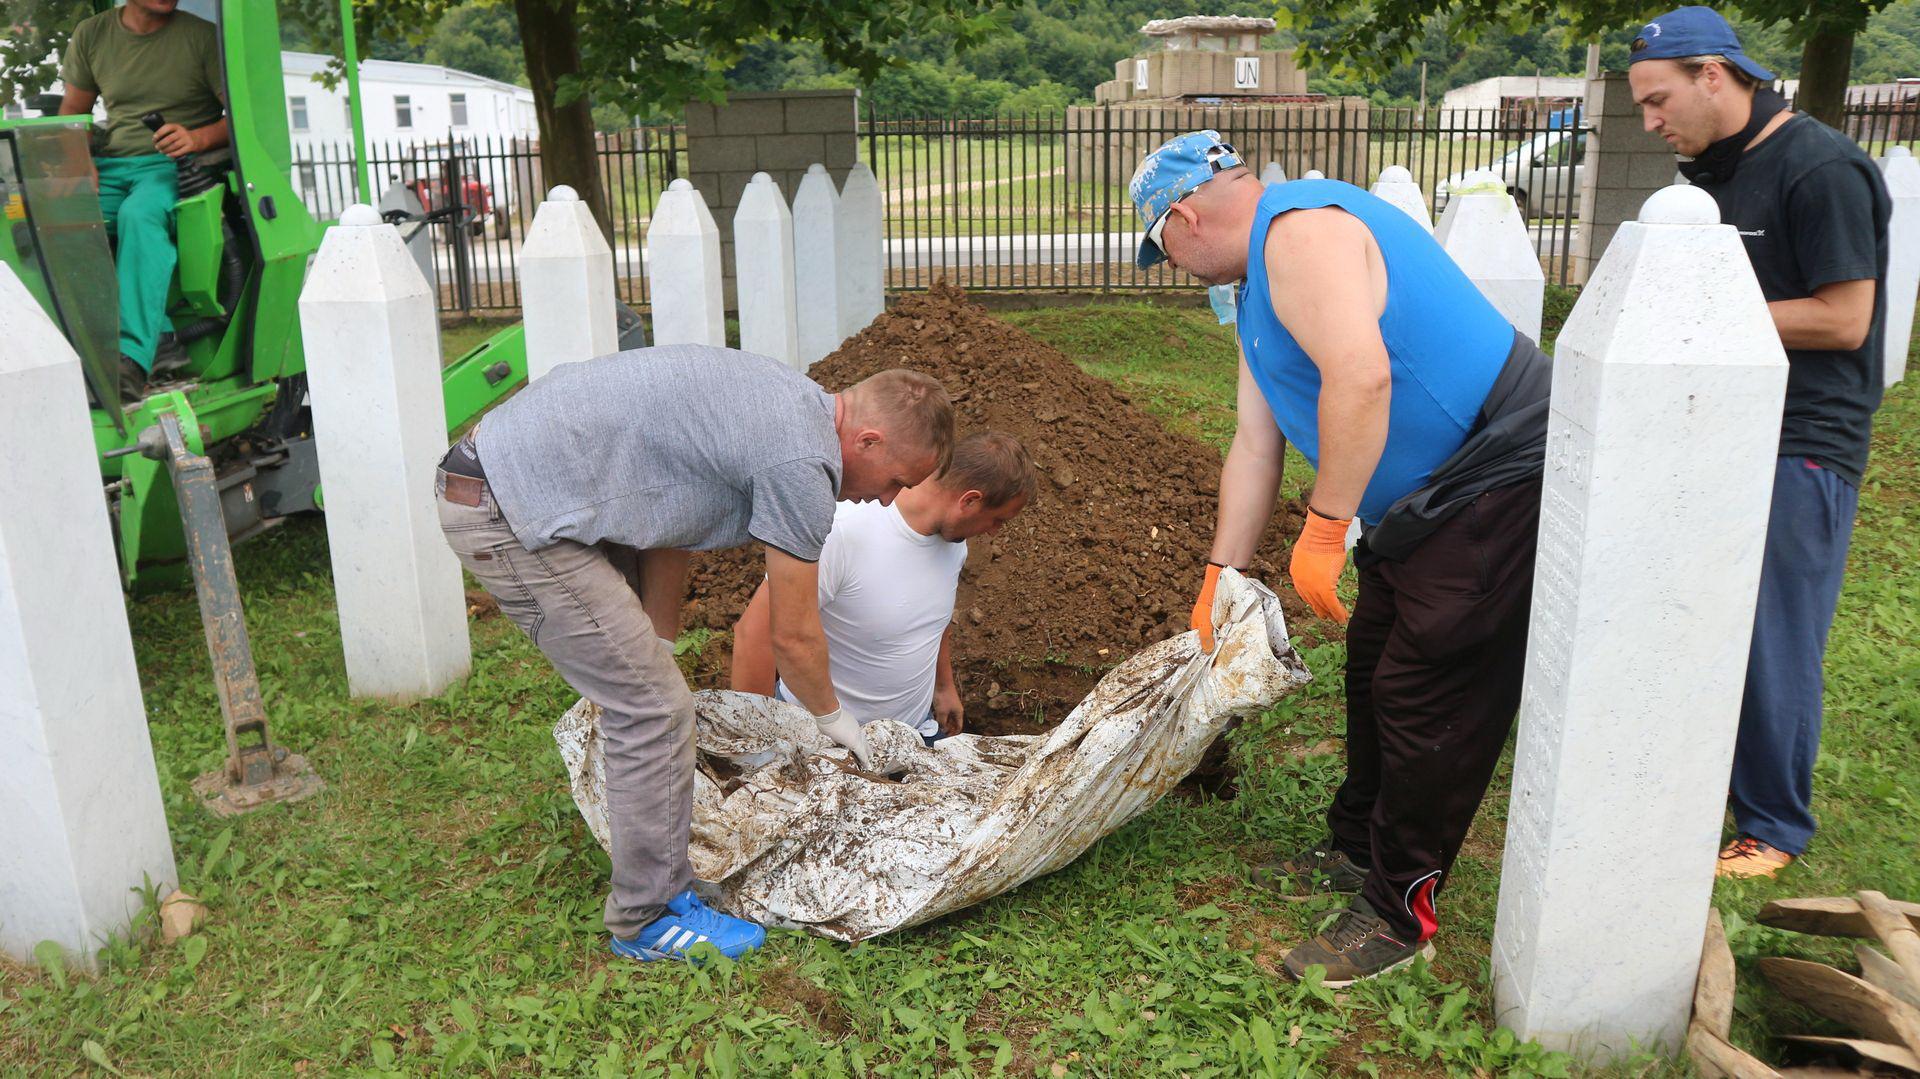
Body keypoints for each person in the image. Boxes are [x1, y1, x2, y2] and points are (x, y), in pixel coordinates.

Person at [1133, 132, 1551, 986]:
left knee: (1428, 688)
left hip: (1495, 472)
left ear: (1182, 217)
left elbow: (1361, 380)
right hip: (1423, 499)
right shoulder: (1257, 288)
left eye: (1162, 248)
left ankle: (1401, 912)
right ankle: (1358, 850)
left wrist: (1325, 529)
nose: (1171, 267)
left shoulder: (1301, 232)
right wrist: (1225, 572)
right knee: (1372, 669)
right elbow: (1255, 445)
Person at [437, 345, 953, 961]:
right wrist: (832, 718)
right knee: (653, 709)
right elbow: (792, 632)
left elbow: (668, 514)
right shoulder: (801, 463)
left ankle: (640, 837)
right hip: (507, 511)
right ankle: (648, 917)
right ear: (867, 441)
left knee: (647, 687)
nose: (889, 500)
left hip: (517, 476)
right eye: (897, 479)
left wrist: (658, 636)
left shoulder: (788, 401)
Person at [1627, 7, 1890, 879]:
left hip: (1802, 439)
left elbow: (1846, 318)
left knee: (1774, 628)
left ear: (1715, 74)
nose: (1652, 121)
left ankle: (1773, 823)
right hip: (1717, 426)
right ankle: (1701, 785)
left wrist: (1693, 316)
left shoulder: (1820, 167)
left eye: (1660, 100)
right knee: (1700, 614)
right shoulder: (1708, 176)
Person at [729, 432, 1036, 745]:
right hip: (823, 742)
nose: (995, 532)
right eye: (998, 520)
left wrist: (943, 688)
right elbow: (754, 637)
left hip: (911, 737)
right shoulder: (843, 532)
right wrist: (760, 746)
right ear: (969, 501)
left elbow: (932, 621)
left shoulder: (954, 542)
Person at [58, 0, 230, 400]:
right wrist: (78, 158)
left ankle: (129, 361)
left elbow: (240, 116)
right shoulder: (92, 34)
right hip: (114, 164)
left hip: (176, 165)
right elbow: (73, 109)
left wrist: (195, 138)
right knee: (60, 223)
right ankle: (158, 336)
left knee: (140, 215)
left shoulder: (202, 38)